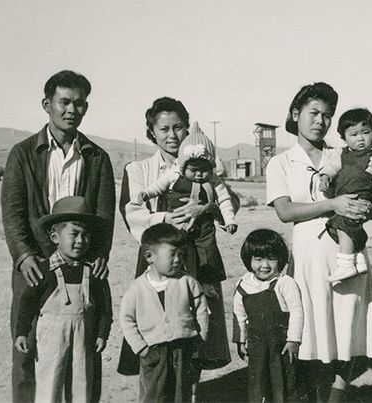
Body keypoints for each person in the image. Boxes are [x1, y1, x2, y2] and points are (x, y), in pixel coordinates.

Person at [1, 70, 116, 403]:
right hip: (35, 268)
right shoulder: (23, 154)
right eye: (64, 102)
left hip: (82, 268)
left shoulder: (97, 158)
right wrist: (24, 256)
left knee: (83, 353)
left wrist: (98, 257)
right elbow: (13, 212)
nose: (71, 110)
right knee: (27, 350)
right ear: (46, 104)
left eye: (79, 104)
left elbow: (104, 219)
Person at [266, 82, 372, 402]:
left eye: (327, 115)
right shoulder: (282, 162)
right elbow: (285, 212)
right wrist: (334, 204)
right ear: (295, 114)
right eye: (314, 113)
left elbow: (367, 195)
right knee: (313, 333)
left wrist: (363, 208)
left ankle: (336, 398)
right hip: (308, 257)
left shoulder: (344, 154)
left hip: (348, 251)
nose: (320, 121)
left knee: (348, 328)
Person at [118, 97, 234, 377]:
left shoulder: (207, 164)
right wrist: (166, 220)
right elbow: (133, 212)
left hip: (200, 256)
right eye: (164, 129)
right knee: (156, 332)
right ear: (152, 132)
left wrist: (208, 208)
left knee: (193, 331)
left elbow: (230, 200)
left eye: (179, 127)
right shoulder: (139, 170)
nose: (172, 136)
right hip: (158, 260)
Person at [13, 196, 112, 402]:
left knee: (81, 384)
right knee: (50, 381)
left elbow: (104, 307)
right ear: (55, 237)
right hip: (51, 338)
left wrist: (102, 333)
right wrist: (22, 332)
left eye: (86, 236)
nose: (80, 241)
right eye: (74, 234)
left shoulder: (93, 273)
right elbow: (27, 303)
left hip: (83, 337)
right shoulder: (44, 271)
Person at [119, 223, 209, 402]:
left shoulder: (186, 281)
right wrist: (142, 348)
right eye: (172, 255)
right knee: (153, 394)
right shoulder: (137, 288)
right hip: (153, 352)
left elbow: (201, 308)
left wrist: (200, 336)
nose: (177, 260)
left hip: (183, 347)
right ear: (149, 257)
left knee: (181, 392)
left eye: (180, 255)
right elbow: (126, 319)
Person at [317, 108, 372, 284]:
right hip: (343, 197)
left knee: (344, 224)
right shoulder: (340, 154)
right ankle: (358, 260)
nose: (360, 138)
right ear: (344, 138)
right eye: (353, 134)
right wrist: (325, 176)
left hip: (361, 198)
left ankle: (345, 264)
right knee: (344, 226)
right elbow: (332, 167)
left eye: (365, 133)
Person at [233, 229, 303, 403]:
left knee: (284, 384)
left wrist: (293, 340)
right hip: (257, 347)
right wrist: (240, 341)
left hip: (281, 346)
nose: (265, 265)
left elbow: (297, 311)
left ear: (280, 259)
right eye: (258, 259)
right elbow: (239, 314)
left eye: (271, 259)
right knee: (258, 384)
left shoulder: (284, 283)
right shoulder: (243, 285)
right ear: (249, 260)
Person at [136, 129, 238, 234]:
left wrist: (229, 221)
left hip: (204, 227)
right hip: (176, 223)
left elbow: (224, 200)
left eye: (204, 170)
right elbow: (158, 186)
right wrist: (147, 193)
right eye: (193, 170)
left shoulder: (214, 180)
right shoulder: (174, 174)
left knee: (208, 250)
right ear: (183, 167)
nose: (199, 174)